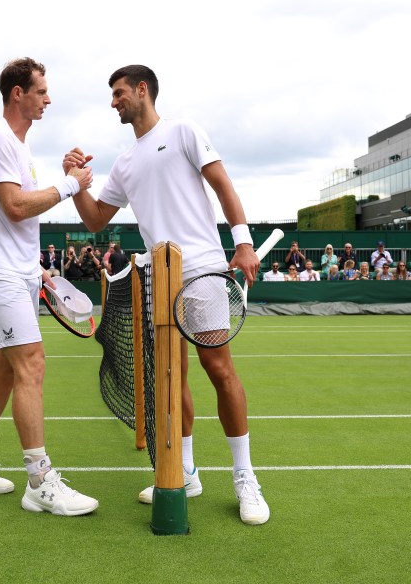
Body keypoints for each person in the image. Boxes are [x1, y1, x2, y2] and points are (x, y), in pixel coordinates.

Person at [64, 63, 268, 525]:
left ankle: (245, 477)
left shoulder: (183, 131)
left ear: (142, 90)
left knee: (219, 369)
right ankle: (187, 471)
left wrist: (243, 242)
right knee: (172, 379)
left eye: (119, 93)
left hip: (202, 272)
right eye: (111, 95)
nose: (113, 101)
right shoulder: (123, 163)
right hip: (159, 277)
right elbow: (96, 219)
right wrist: (76, 182)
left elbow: (223, 185)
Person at [0, 57, 98, 517]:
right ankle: (40, 481)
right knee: (32, 363)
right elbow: (14, 206)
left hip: (17, 272)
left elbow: (12, 223)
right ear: (18, 93)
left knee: (7, 370)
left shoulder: (15, 147)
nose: (48, 98)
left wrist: (40, 270)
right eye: (41, 91)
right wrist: (69, 185)